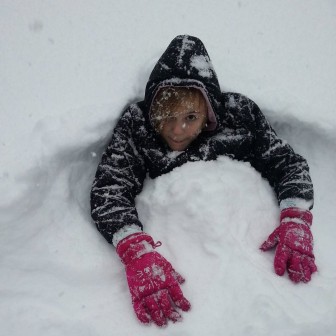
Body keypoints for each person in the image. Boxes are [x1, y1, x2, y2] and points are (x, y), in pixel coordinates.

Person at [90, 35, 317, 327]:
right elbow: (111, 188)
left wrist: (296, 217)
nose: (177, 130)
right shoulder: (138, 127)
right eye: (166, 116)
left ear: (209, 112)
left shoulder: (239, 119)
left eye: (191, 117)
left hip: (251, 261)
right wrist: (135, 251)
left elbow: (286, 163)